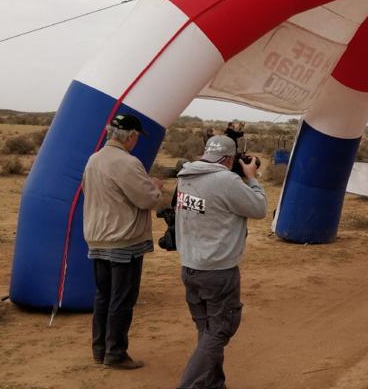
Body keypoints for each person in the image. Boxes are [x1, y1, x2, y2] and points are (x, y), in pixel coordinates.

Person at [175, 135, 267, 389]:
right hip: (218, 270)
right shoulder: (227, 180)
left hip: (191, 266)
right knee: (220, 330)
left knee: (207, 331)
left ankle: (214, 383)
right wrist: (251, 177)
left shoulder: (185, 175)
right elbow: (259, 208)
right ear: (228, 159)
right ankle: (191, 385)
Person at [82, 113, 164, 369]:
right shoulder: (128, 163)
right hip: (123, 240)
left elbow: (87, 189)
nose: (136, 142)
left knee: (103, 296)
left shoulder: (93, 159)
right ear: (130, 136)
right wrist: (155, 185)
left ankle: (100, 350)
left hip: (97, 239)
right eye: (136, 137)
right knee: (122, 300)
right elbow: (148, 199)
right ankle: (116, 353)